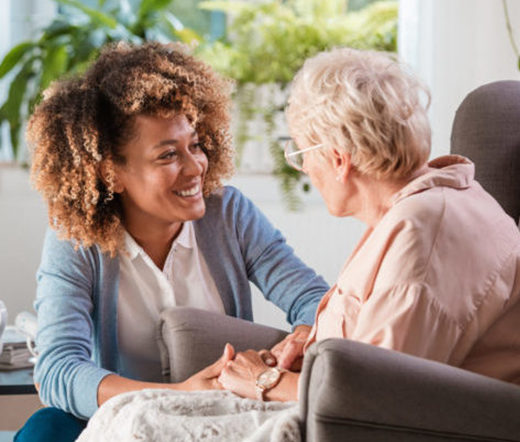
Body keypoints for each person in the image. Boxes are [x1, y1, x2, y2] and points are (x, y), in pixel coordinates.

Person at [15, 42, 329, 441]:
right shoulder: (76, 240)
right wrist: (177, 395)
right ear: (111, 173)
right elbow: (59, 369)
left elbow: (314, 300)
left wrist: (303, 336)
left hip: (221, 416)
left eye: (194, 145)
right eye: (168, 155)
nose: (196, 166)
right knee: (45, 429)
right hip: (121, 420)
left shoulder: (229, 215)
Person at [215, 48, 520, 402]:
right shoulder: (429, 203)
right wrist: (313, 345)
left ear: (338, 159)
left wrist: (265, 381)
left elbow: (375, 395)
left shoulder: (422, 233)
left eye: (301, 154)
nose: (306, 169)